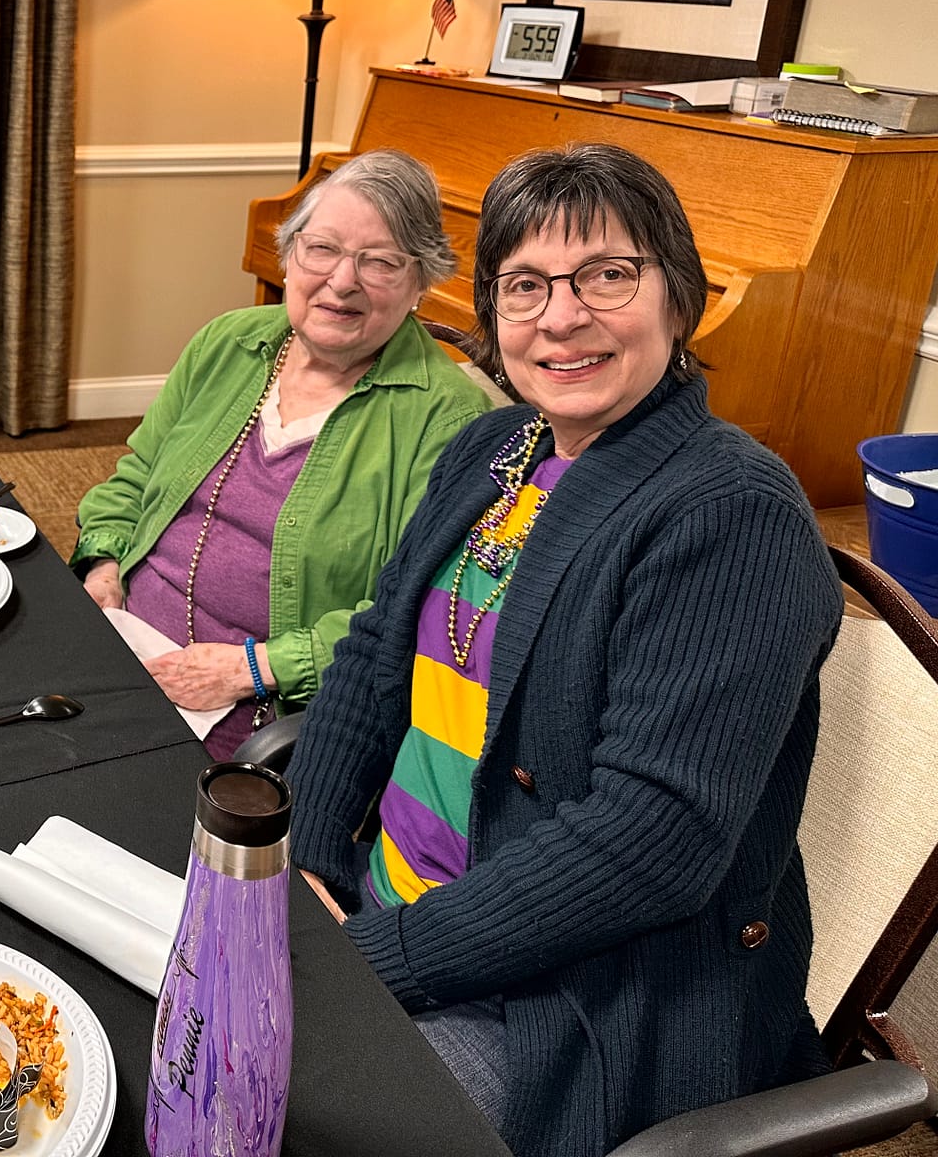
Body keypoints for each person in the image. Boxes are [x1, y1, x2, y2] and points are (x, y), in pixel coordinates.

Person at [282, 143, 843, 1156]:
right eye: (525, 285)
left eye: (608, 275)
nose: (562, 316)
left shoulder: (731, 513)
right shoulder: (497, 452)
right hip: (392, 911)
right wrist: (309, 866)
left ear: (684, 297)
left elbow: (647, 845)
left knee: (261, 1105)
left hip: (573, 1000)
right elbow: (373, 663)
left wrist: (367, 958)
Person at [72, 150, 495, 758]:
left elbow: (413, 613)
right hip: (124, 636)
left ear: (420, 283)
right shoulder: (228, 341)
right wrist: (104, 565)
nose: (341, 281)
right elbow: (135, 477)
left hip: (255, 705)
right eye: (321, 248)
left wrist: (254, 667)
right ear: (291, 253)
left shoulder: (448, 420)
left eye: (379, 262)